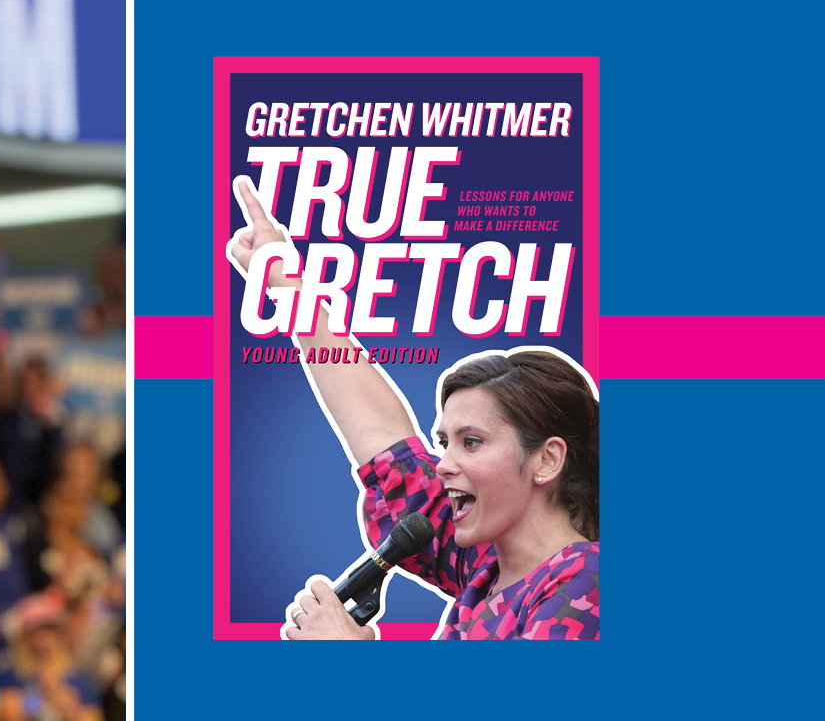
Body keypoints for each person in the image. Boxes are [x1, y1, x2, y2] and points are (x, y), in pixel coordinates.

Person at [226, 177, 601, 641]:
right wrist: (286, 283)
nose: (442, 463)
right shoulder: (486, 568)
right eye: (445, 442)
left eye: (471, 442)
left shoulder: (588, 579)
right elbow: (385, 441)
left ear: (547, 459)